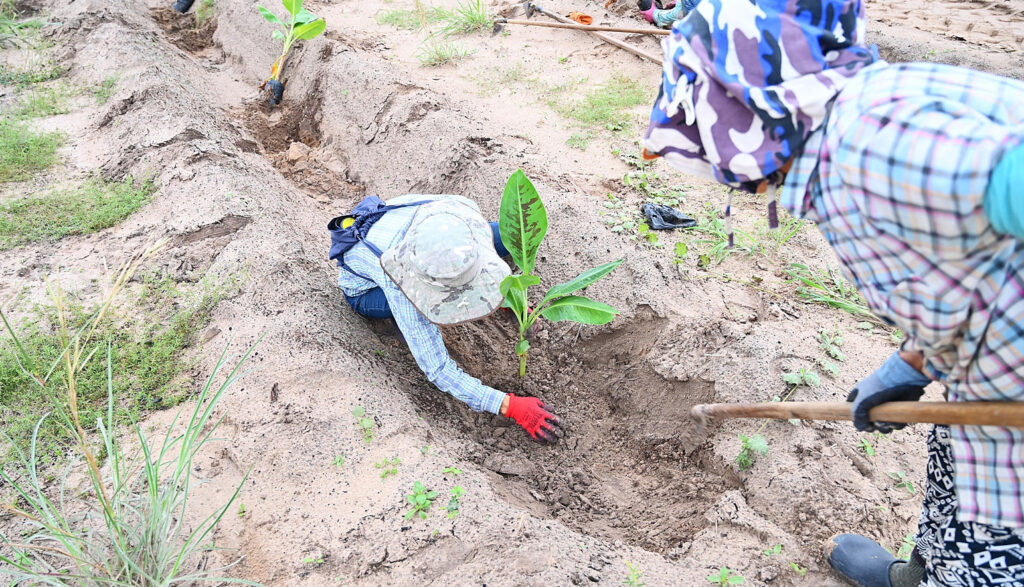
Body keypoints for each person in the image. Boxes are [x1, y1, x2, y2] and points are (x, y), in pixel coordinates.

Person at [642, 0, 1024, 585]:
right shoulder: (843, 136)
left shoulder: (872, 141)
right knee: (957, 485)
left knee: (1000, 556)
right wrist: (912, 362)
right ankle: (923, 575)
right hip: (988, 379)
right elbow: (969, 262)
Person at [328, 194, 564, 444]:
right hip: (368, 291)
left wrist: (508, 297)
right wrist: (511, 406)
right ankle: (405, 325)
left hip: (409, 232)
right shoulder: (399, 282)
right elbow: (439, 370)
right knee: (411, 310)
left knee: (511, 236)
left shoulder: (448, 215)